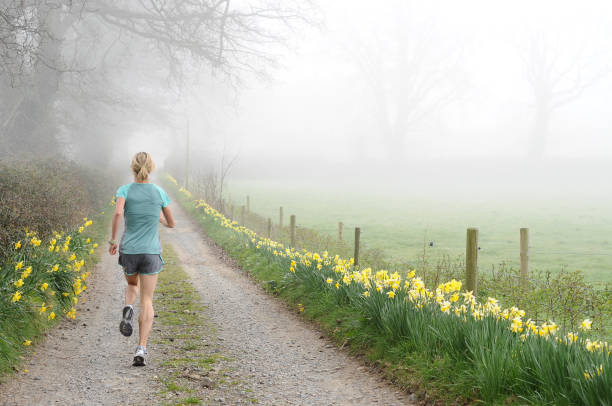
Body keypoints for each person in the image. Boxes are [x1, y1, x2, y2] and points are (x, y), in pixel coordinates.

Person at [108, 152, 175, 366]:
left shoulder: (124, 190)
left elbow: (118, 214)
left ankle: (128, 307)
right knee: (147, 300)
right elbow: (171, 223)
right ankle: (141, 349)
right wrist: (160, 219)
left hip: (129, 250)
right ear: (151, 168)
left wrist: (112, 240)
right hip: (151, 252)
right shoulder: (159, 192)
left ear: (133, 168)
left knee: (131, 284)